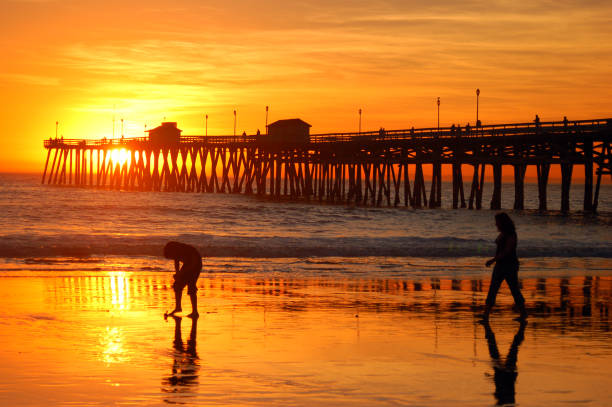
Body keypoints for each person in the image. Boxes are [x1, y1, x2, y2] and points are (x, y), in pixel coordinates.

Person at [481, 213, 527, 321]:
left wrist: (493, 260)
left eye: (497, 222)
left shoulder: (511, 234)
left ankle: (524, 313)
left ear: (502, 222)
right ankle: (486, 315)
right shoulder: (504, 233)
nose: (495, 224)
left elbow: (507, 251)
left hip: (509, 265)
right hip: (501, 265)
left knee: (514, 290)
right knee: (493, 289)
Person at [164, 241, 202, 318]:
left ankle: (195, 312)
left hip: (196, 264)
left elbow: (192, 265)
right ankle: (178, 308)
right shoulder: (176, 252)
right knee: (177, 285)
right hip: (188, 263)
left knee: (191, 286)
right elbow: (176, 262)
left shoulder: (185, 250)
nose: (172, 257)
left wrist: (181, 273)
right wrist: (178, 274)